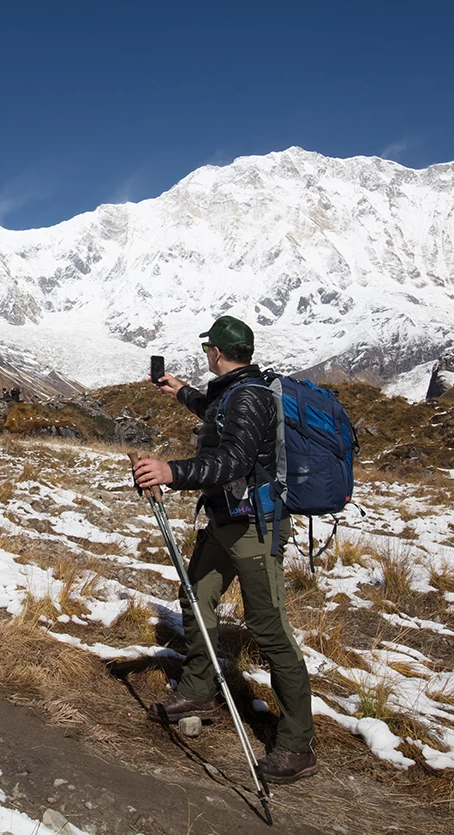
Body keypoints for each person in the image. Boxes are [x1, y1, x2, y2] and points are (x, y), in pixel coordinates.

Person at [131, 315, 318, 785]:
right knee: (196, 598)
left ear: (217, 351)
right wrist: (180, 391)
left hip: (254, 529)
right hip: (223, 522)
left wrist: (173, 471)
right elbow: (216, 414)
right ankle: (197, 689)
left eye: (207, 350)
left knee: (269, 629)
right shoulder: (235, 390)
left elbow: (234, 457)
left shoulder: (250, 396)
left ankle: (298, 743)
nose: (205, 356)